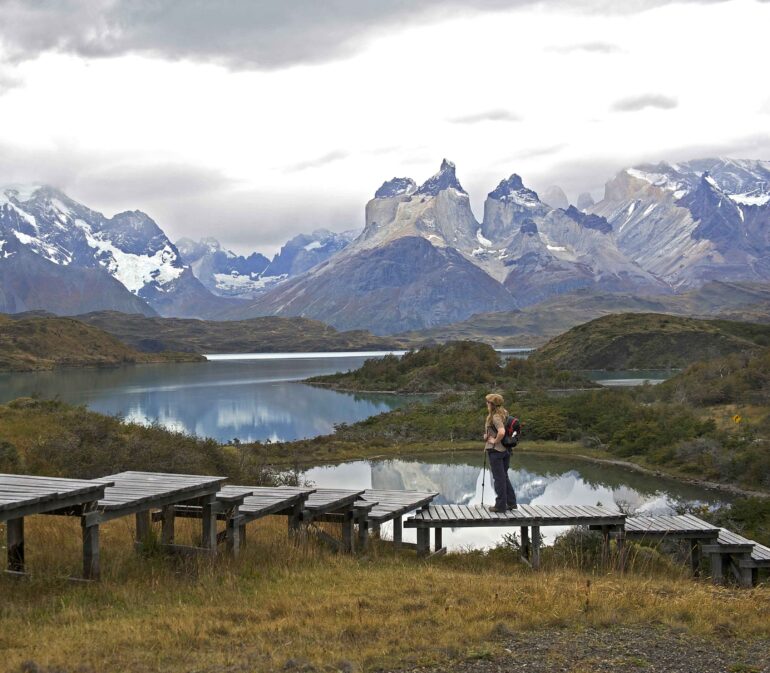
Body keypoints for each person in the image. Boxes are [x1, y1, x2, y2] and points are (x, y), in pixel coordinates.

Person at [483, 393, 517, 512]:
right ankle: (511, 503)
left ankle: (500, 506)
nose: (486, 404)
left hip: (496, 451)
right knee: (504, 477)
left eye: (488, 402)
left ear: (492, 404)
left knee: (499, 479)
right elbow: (499, 430)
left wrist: (493, 441)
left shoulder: (495, 417)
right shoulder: (504, 414)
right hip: (505, 450)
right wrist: (488, 435)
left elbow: (501, 432)